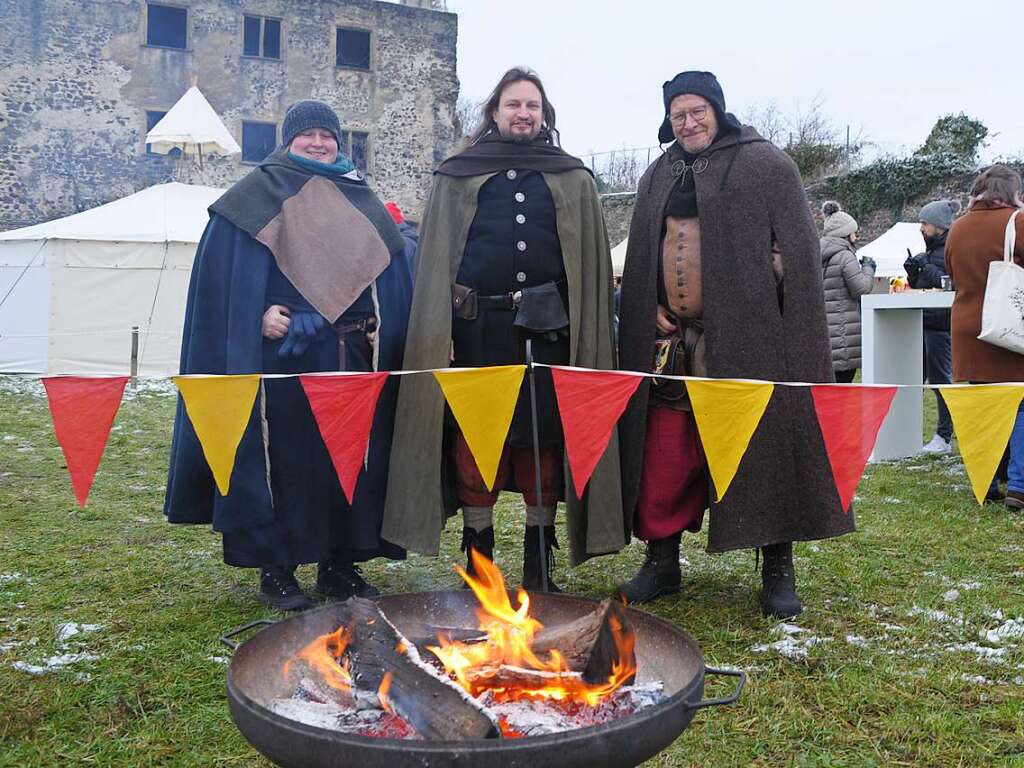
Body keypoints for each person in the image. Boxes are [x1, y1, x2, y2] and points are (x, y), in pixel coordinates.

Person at [616, 70, 852, 618]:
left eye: (698, 110)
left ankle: (776, 565)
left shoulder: (765, 164)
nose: (689, 121)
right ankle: (662, 560)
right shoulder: (659, 173)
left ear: (718, 109)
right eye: (679, 113)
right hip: (672, 344)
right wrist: (647, 301)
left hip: (752, 342)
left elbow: (795, 256)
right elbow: (644, 253)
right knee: (667, 455)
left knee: (760, 451)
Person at [164, 100, 412, 610]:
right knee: (290, 466)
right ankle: (278, 572)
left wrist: (381, 325)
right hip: (286, 361)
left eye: (328, 135)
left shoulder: (359, 195)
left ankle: (339, 566)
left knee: (348, 465)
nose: (319, 143)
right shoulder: (255, 197)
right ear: (288, 140)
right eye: (308, 135)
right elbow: (223, 284)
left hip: (349, 360)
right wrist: (254, 317)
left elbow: (390, 273)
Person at [382, 67, 622, 591]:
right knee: (474, 444)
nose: (523, 113)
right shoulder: (458, 175)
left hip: (549, 332)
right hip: (477, 333)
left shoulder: (573, 178)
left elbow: (589, 270)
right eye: (513, 104)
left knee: (544, 446)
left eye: (532, 106)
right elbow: (435, 263)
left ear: (544, 114)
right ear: (495, 112)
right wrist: (437, 330)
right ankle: (480, 569)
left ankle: (539, 567)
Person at [945, 165, 1024, 508]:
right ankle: (1020, 486)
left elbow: (951, 271)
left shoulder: (957, 228)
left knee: (982, 406)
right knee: (1020, 406)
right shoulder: (1018, 222)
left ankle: (987, 481)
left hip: (968, 327)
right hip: (1009, 324)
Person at [905, 200, 959, 454]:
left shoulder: (951, 249)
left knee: (941, 383)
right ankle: (909, 433)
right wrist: (913, 273)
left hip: (941, 325)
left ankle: (944, 436)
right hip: (923, 322)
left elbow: (951, 284)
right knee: (914, 380)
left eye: (925, 223)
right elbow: (922, 287)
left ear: (938, 225)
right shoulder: (928, 250)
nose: (921, 228)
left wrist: (926, 268)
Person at [820, 201, 876, 383]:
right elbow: (861, 289)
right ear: (845, 233)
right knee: (843, 391)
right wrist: (868, 268)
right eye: (854, 231)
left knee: (829, 391)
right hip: (844, 333)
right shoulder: (845, 255)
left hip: (824, 334)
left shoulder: (817, 253)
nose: (856, 235)